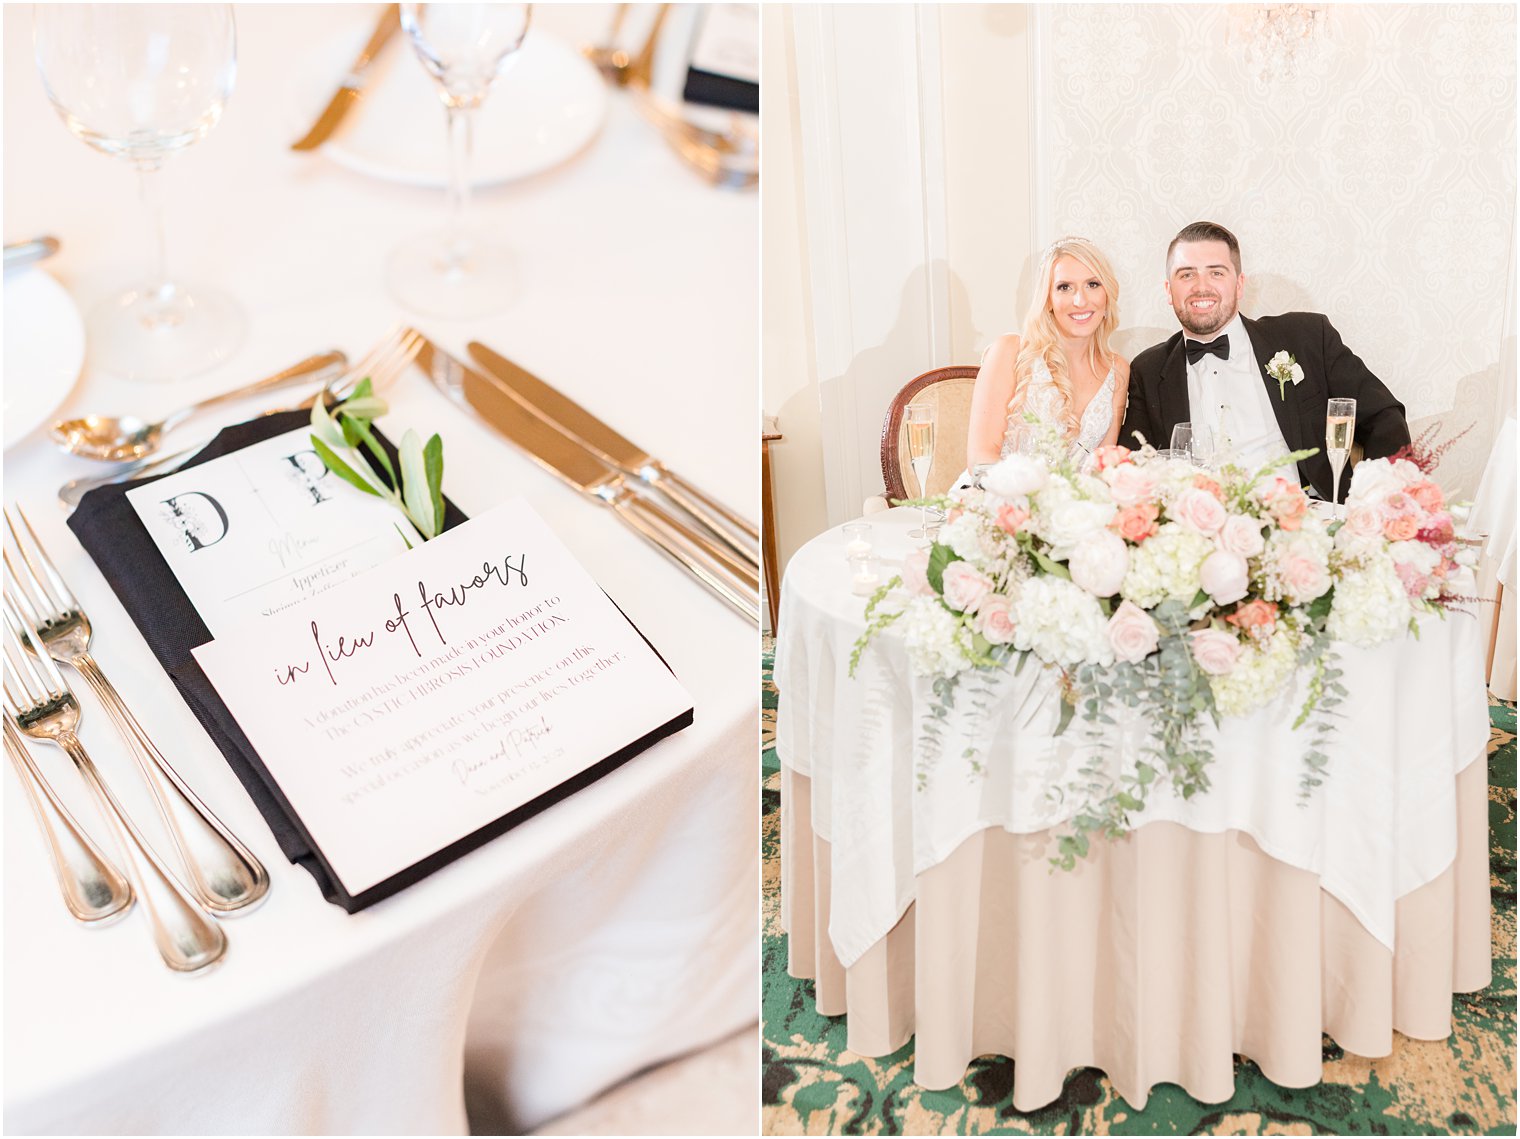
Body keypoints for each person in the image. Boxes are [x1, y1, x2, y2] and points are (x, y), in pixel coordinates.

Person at [1118, 220, 1410, 499]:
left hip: (1307, 521)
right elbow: (1131, 469)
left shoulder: (1306, 338)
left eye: (1216, 272)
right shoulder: (1148, 370)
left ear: (1240, 284)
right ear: (1169, 291)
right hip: (1200, 534)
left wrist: (1380, 501)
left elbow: (1383, 417)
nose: (1201, 286)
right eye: (1186, 274)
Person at [966, 236, 1130, 467]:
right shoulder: (1010, 352)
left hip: (1077, 503)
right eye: (1064, 287)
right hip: (996, 497)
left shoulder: (1118, 371)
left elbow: (1102, 471)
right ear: (1048, 299)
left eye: (1092, 284)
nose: (1080, 301)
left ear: (1107, 294)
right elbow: (980, 459)